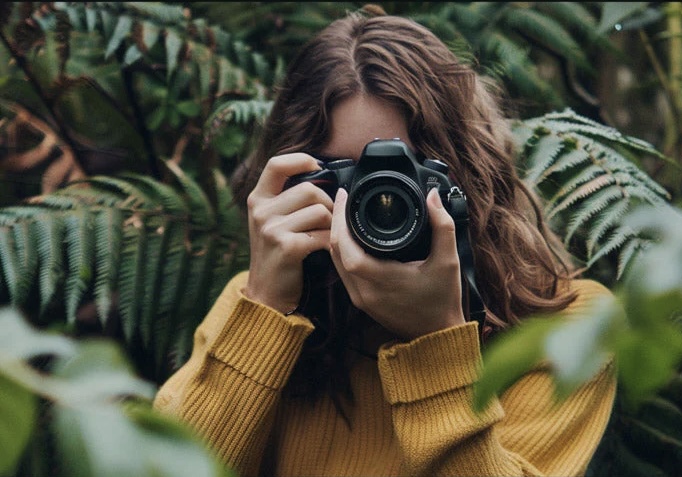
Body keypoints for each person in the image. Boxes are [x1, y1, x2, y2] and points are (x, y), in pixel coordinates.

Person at [154, 6, 617, 477]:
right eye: (344, 175)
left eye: (405, 176)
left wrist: (436, 339)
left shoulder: (567, 329)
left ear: (468, 178)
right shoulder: (256, 305)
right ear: (290, 182)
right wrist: (266, 308)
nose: (377, 202)